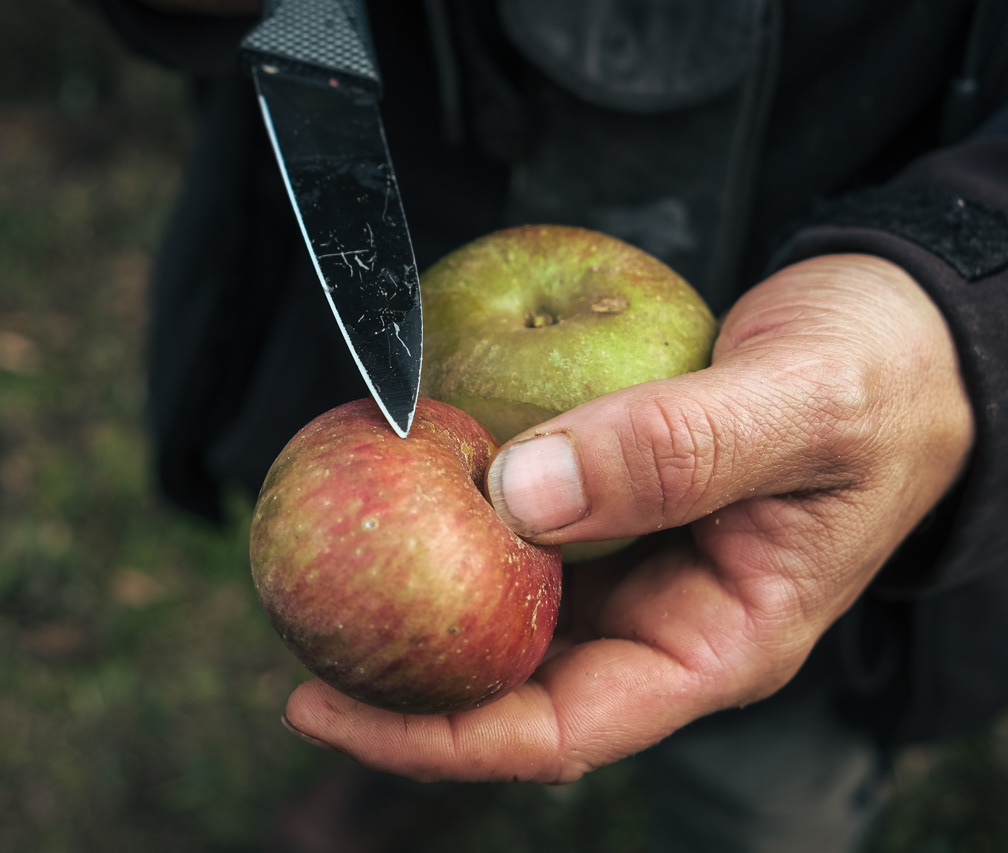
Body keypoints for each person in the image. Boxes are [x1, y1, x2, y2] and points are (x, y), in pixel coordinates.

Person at [82, 0, 1008, 849]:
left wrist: (958, 288)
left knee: (762, 783)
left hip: (813, 431)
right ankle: (403, 761)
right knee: (403, 646)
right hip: (417, 201)